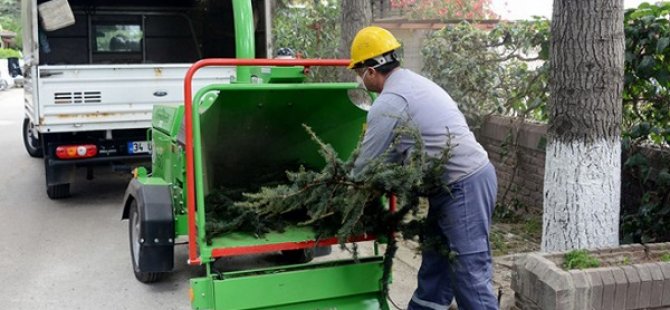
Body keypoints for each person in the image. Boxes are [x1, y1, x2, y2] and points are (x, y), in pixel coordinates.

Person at [349, 26, 499, 310]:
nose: (359, 78)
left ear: (371, 70)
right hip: (453, 185)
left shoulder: (390, 101)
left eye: (358, 71)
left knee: (468, 271)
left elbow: (366, 167)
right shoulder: (412, 83)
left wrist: (346, 191)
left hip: (464, 185)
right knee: (436, 264)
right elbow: (396, 151)